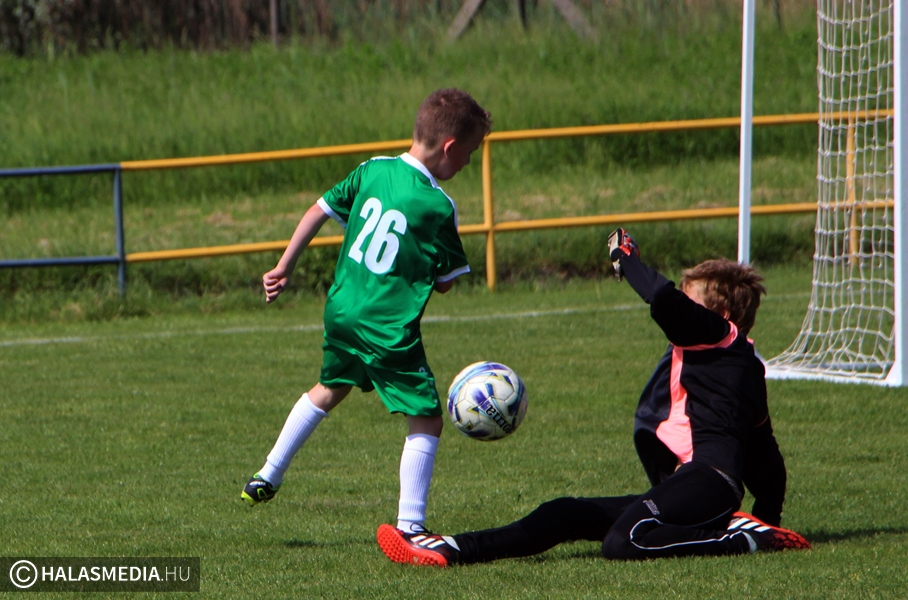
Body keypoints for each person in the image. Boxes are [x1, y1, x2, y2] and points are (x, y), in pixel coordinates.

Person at [376, 228, 810, 566]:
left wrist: (627, 258)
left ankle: (738, 539)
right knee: (564, 513)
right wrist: (769, 518)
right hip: (693, 487)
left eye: (690, 299)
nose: (682, 304)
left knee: (623, 542)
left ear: (722, 315)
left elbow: (662, 298)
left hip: (709, 483)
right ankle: (452, 549)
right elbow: (765, 453)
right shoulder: (737, 361)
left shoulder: (720, 337)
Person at [241, 88, 492, 538]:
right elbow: (446, 282)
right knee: (428, 419)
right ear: (450, 147)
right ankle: (411, 527)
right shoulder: (438, 205)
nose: (469, 163)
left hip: (342, 311)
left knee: (329, 388)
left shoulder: (372, 169)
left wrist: (284, 266)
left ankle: (267, 474)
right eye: (470, 153)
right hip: (386, 327)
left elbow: (318, 210)